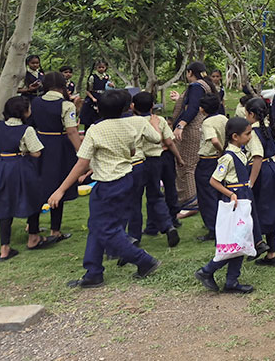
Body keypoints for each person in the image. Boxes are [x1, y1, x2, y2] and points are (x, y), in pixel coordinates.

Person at [48, 89, 163, 288]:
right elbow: (132, 151)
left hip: (109, 184)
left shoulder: (95, 130)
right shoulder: (129, 126)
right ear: (126, 108)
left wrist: (61, 189)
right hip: (125, 180)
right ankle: (93, 272)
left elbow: (81, 163)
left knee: (108, 229)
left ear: (98, 108)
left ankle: (144, 260)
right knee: (97, 226)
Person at [192, 117, 258, 294]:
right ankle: (207, 270)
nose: (250, 137)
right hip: (234, 200)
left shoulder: (240, 153)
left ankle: (232, 281)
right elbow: (214, 181)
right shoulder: (227, 158)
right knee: (236, 240)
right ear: (235, 136)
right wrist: (231, 194)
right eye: (247, 134)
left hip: (243, 197)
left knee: (241, 239)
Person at [0, 96, 49, 260]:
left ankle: (4, 248)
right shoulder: (26, 130)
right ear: (24, 112)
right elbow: (37, 152)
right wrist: (25, 151)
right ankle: (33, 237)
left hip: (2, 166)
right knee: (33, 197)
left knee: (4, 202)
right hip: (20, 166)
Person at [29, 72, 83, 243]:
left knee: (37, 185)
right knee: (58, 185)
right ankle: (55, 230)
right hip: (59, 146)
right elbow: (72, 131)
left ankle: (33, 227)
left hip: (38, 144)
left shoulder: (35, 102)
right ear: (63, 84)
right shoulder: (66, 105)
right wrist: (81, 153)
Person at [126, 92, 180, 248]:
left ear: (133, 106)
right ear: (152, 106)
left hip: (137, 162)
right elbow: (168, 140)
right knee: (156, 195)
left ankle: (134, 237)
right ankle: (168, 227)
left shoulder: (130, 121)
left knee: (135, 200)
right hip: (156, 160)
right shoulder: (160, 120)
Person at [244, 97, 275, 266]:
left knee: (254, 210)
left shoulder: (252, 132)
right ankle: (271, 253)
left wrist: (250, 182)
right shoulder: (266, 128)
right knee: (270, 211)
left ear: (251, 114)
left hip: (260, 172)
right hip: (271, 168)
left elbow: (257, 157)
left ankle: (257, 245)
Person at [170, 61, 217, 210]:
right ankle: (193, 198)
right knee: (193, 164)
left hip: (191, 129)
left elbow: (193, 108)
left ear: (190, 72)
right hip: (200, 128)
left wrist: (180, 125)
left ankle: (190, 201)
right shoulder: (206, 85)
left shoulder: (196, 86)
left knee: (186, 165)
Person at [194, 95, 228, 242]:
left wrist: (221, 150)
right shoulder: (223, 118)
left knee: (207, 195)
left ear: (202, 109)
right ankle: (223, 224)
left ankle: (213, 228)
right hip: (221, 161)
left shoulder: (207, 122)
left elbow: (214, 140)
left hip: (208, 160)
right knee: (220, 192)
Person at [80, 60, 111, 129]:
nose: (101, 69)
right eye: (99, 67)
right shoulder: (92, 77)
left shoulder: (108, 77)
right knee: (90, 117)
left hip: (104, 96)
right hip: (93, 96)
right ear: (96, 68)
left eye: (103, 67)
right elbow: (87, 90)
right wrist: (93, 98)